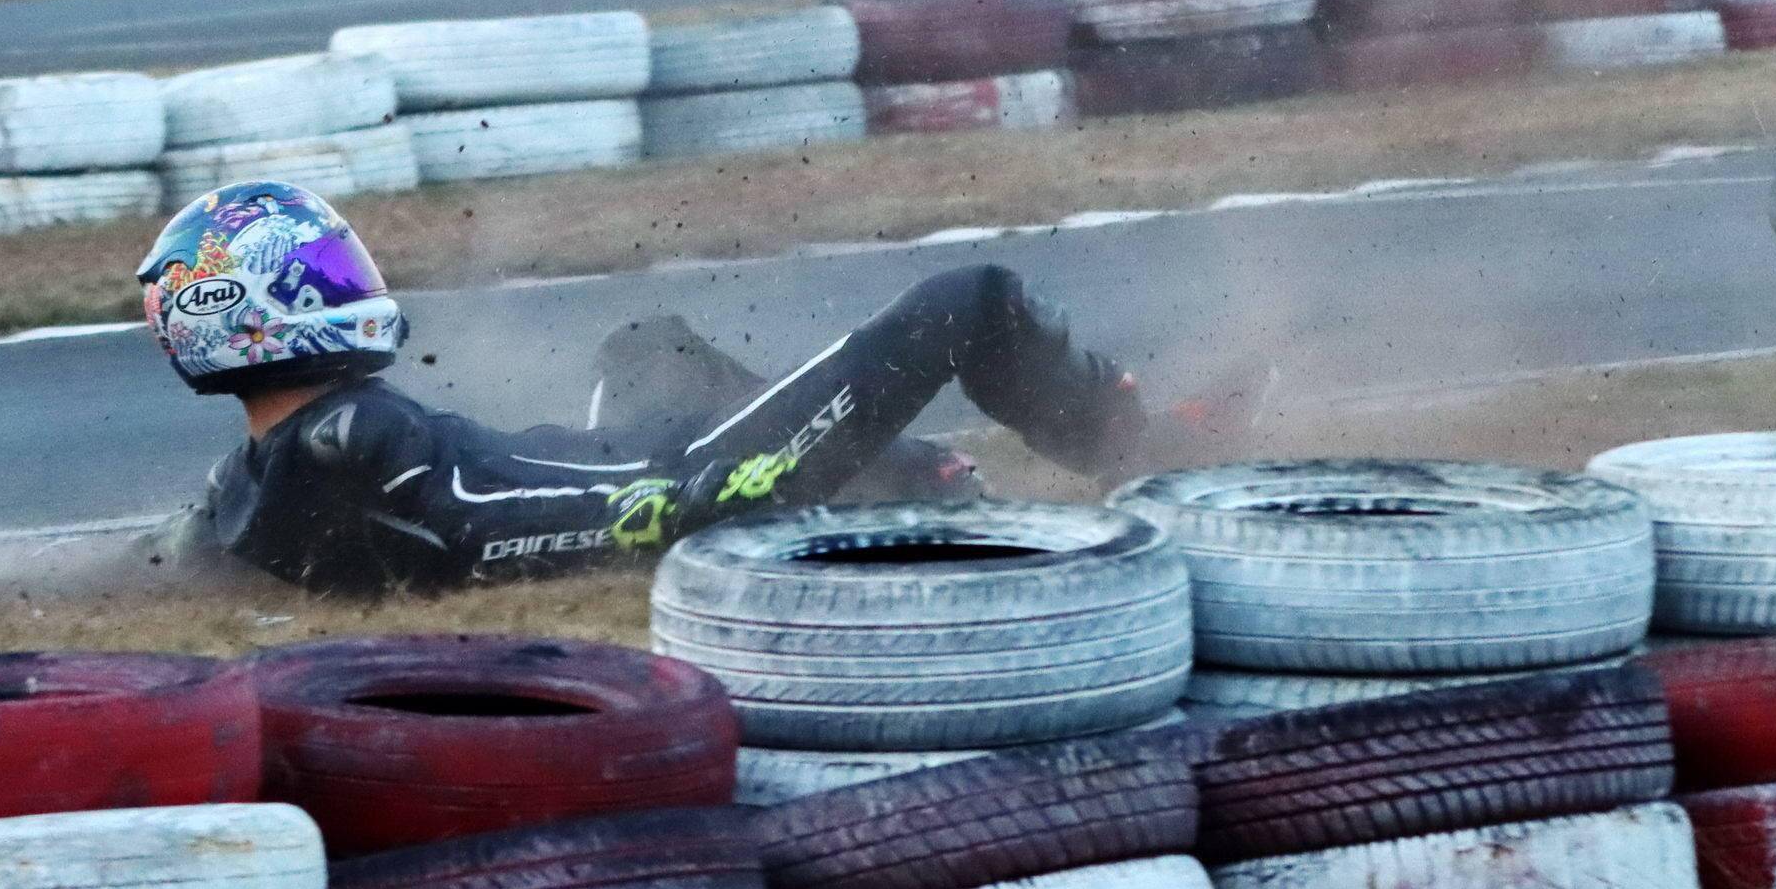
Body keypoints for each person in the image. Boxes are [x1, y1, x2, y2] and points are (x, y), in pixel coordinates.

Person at [143, 179, 1203, 598]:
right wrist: (670, 507)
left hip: (640, 458)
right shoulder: (354, 433)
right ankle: (1136, 448)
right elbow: (481, 520)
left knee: (647, 346)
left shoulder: (247, 485)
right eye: (327, 275)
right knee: (967, 302)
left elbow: (194, 563)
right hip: (687, 481)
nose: (354, 287)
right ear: (269, 306)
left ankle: (891, 470)